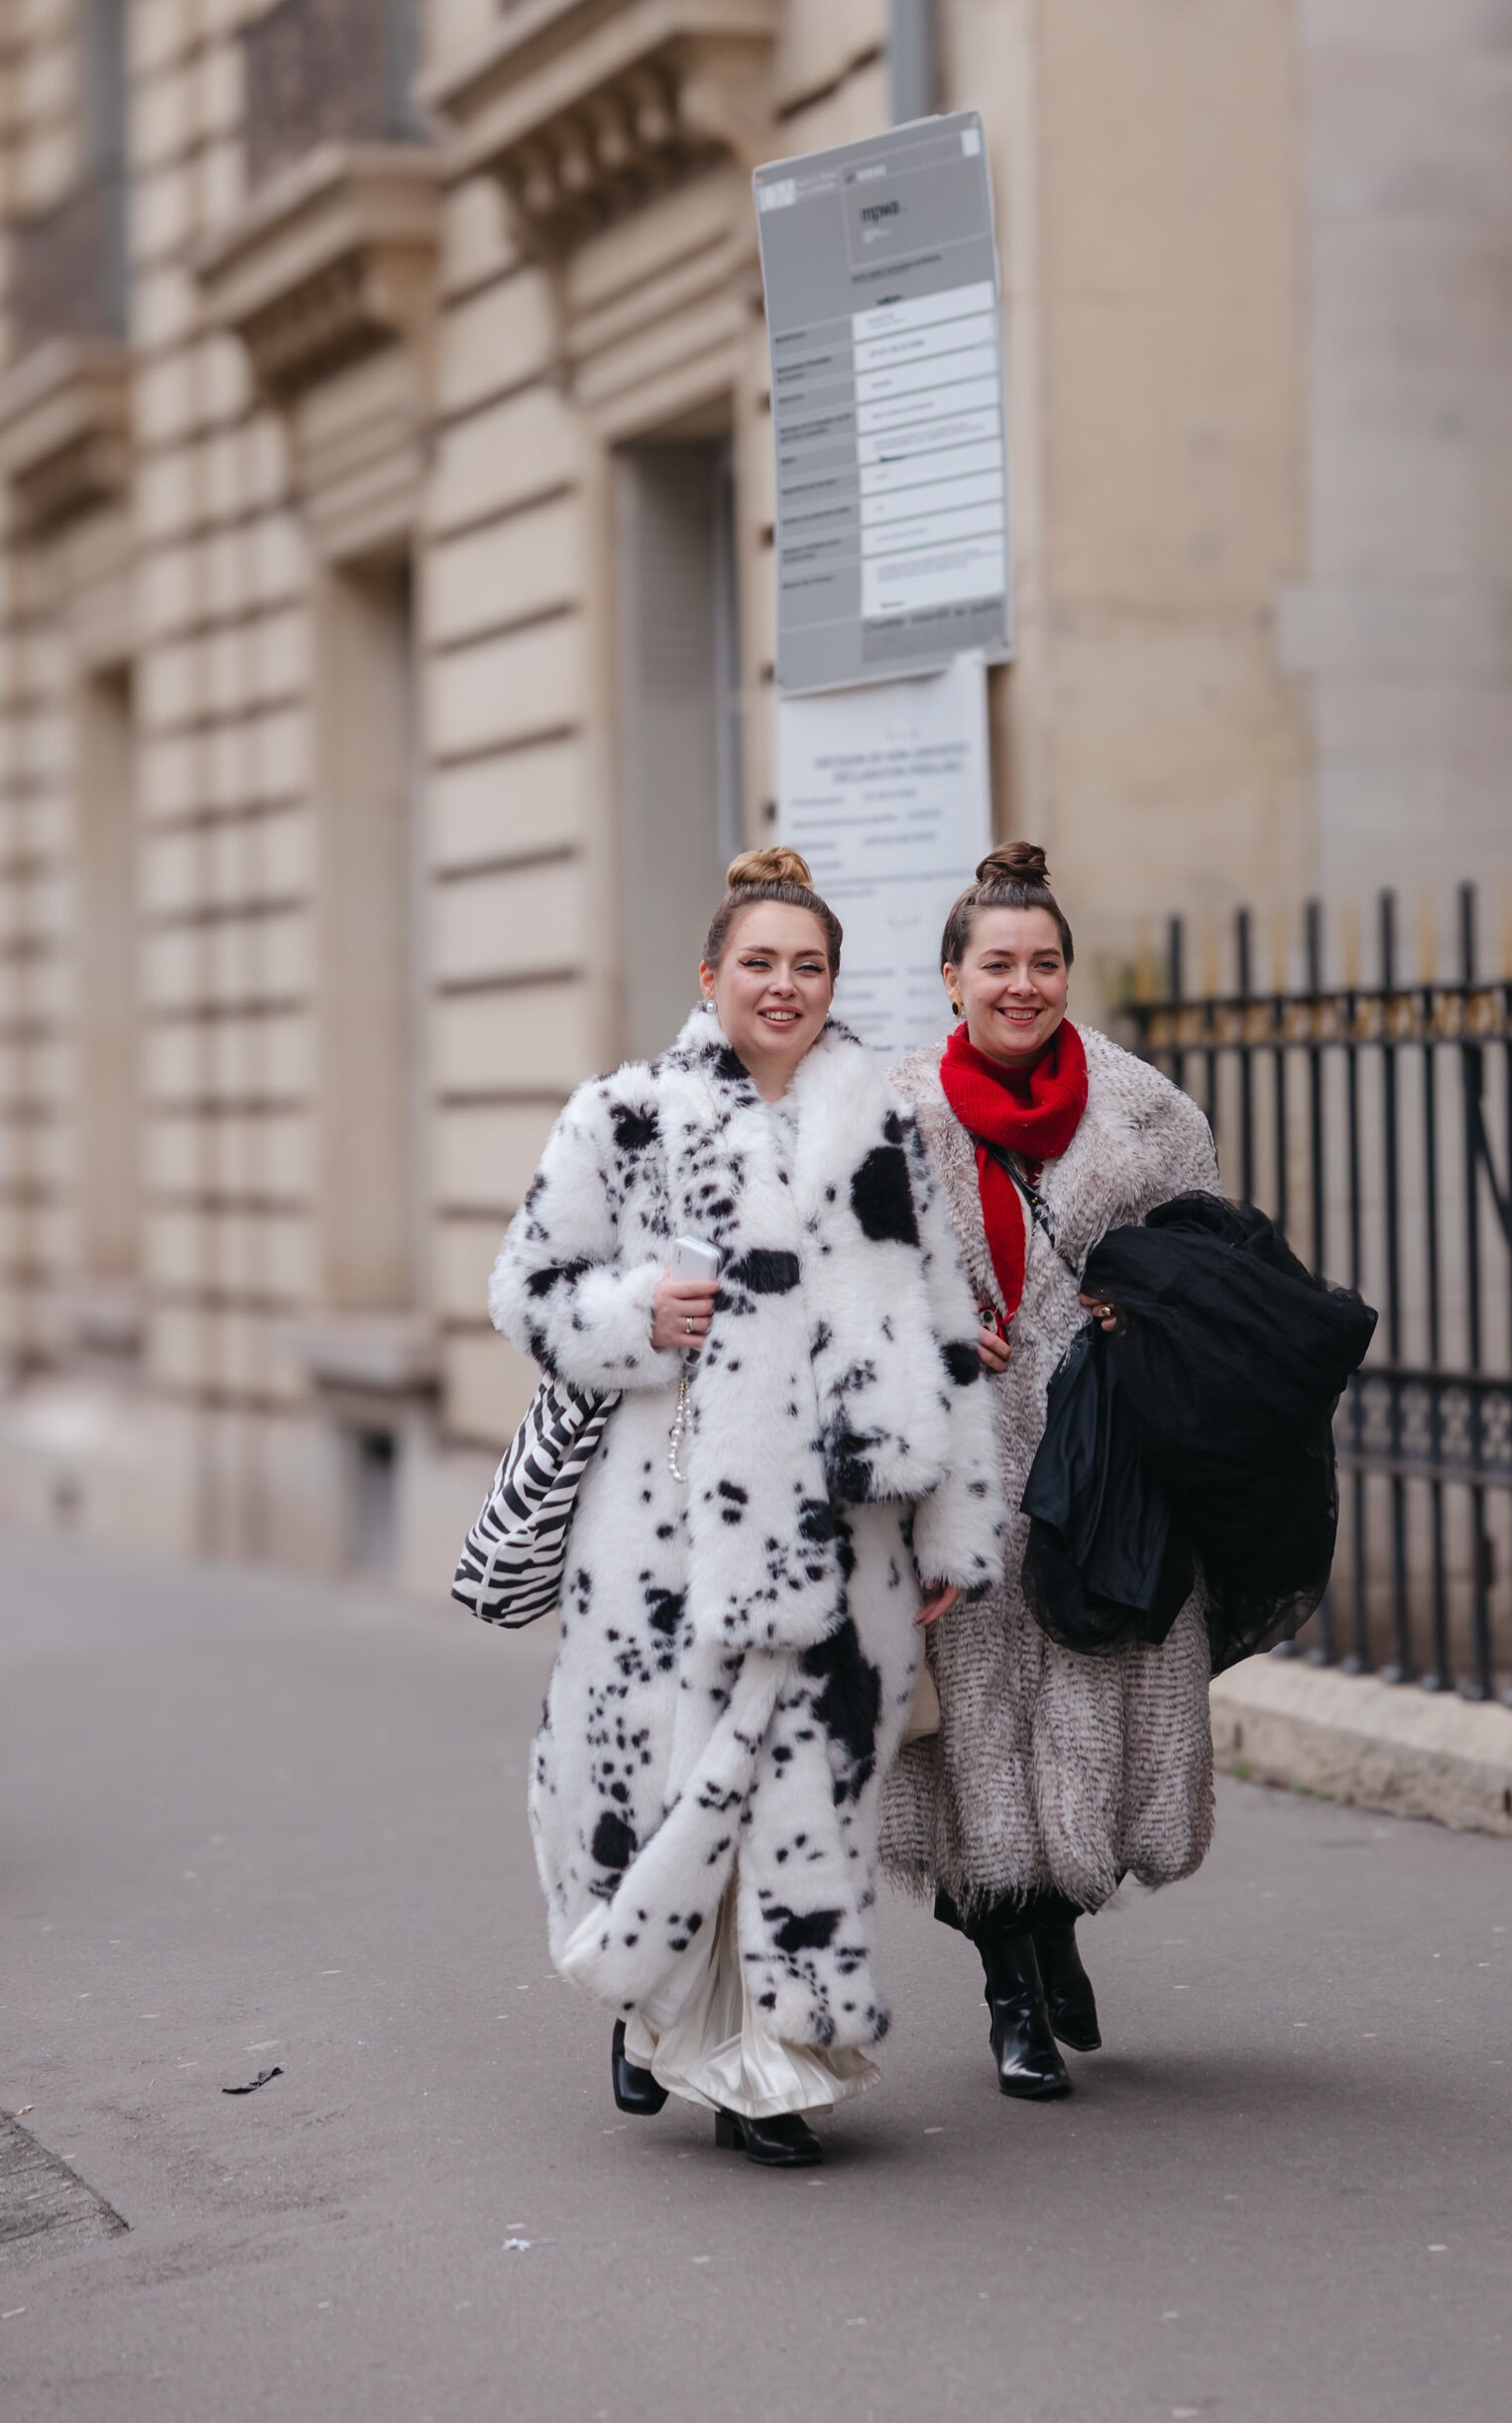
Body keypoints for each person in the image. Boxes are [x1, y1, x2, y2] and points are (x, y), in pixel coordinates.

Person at [489, 848, 1002, 2168]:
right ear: (708, 975)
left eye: (808, 966)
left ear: (834, 984)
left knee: (809, 1806)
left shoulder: (880, 1125)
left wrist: (954, 1529)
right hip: (667, 1541)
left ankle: (768, 2070)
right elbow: (527, 1290)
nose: (783, 986)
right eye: (759, 963)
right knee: (677, 1799)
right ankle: (657, 2006)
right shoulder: (626, 1115)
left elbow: (945, 1330)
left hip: (852, 1542)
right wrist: (628, 1315)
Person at [881, 842, 1221, 2101]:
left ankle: (1058, 1924)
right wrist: (919, 1328)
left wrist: (1152, 1311)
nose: (1020, 985)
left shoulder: (1147, 1114)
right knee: (972, 1724)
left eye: (1042, 963)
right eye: (996, 964)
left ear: (1065, 972)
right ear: (951, 978)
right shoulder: (892, 1114)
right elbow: (843, 1289)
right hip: (955, 1463)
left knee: (1084, 1696)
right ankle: (1007, 1989)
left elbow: (1213, 1265)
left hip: (1100, 1455)